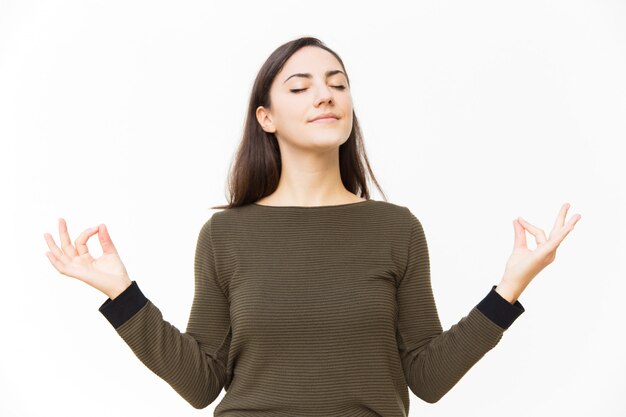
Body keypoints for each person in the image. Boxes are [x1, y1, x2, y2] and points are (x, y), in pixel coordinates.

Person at [43, 36, 581, 416]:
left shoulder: (396, 229)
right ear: (266, 117)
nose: (326, 95)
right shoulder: (225, 236)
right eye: (300, 87)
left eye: (338, 84)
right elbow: (202, 383)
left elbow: (428, 378)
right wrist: (121, 293)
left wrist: (510, 288)